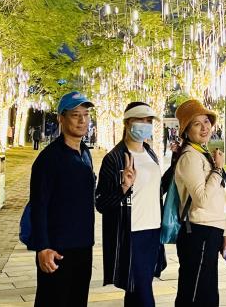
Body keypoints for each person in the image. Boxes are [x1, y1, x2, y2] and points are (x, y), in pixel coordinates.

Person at [96, 102, 167, 307]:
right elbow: (101, 203)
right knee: (144, 293)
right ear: (127, 123)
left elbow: (156, 189)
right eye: (140, 120)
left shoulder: (150, 153)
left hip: (153, 231)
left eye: (149, 120)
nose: (145, 124)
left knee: (137, 290)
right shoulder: (114, 159)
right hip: (131, 233)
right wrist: (123, 188)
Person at [29, 91, 96, 307]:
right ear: (61, 118)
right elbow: (39, 206)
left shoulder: (85, 153)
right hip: (57, 250)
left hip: (83, 246)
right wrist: (42, 247)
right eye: (75, 115)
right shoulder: (49, 158)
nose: (82, 120)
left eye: (86, 115)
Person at [172, 99, 226, 307]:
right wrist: (217, 169)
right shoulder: (190, 157)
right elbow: (202, 199)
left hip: (210, 230)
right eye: (197, 124)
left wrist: (225, 232)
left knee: (207, 292)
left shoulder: (201, 153)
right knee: (195, 294)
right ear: (186, 130)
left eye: (206, 121)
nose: (205, 127)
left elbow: (218, 199)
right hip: (198, 232)